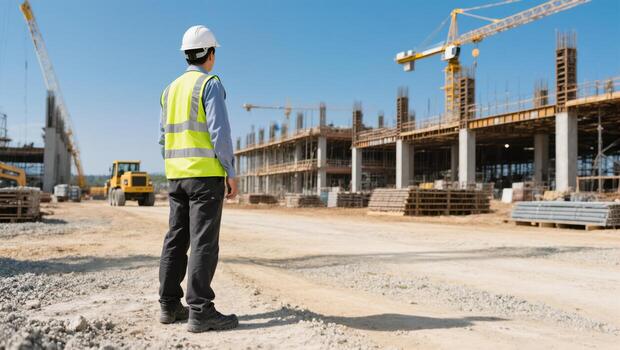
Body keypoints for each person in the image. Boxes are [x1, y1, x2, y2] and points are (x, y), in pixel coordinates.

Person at [157, 25, 238, 333]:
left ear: (186, 54)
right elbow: (220, 134)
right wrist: (229, 171)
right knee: (203, 242)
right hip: (205, 178)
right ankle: (201, 311)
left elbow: (163, 138)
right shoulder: (210, 84)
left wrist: (173, 168)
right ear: (211, 54)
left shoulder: (170, 89)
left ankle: (168, 305)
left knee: (176, 239)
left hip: (176, 178)